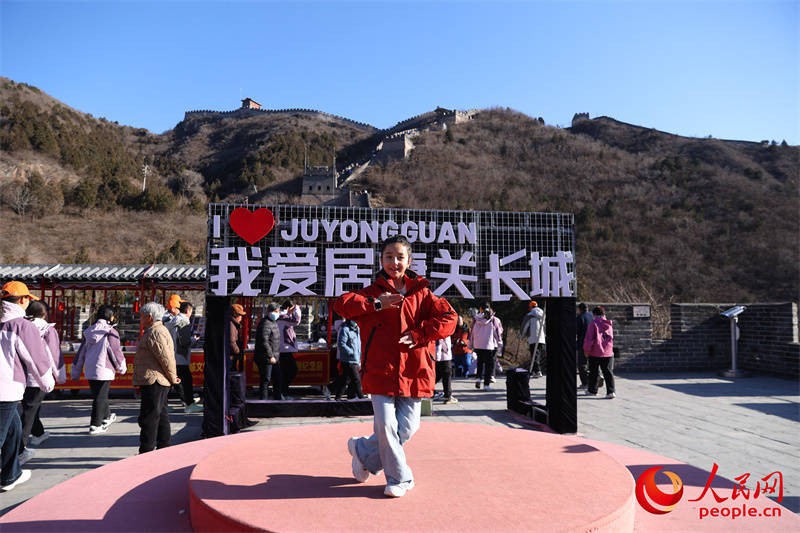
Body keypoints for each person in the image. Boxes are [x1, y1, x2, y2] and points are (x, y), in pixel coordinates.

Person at [334, 235, 457, 498]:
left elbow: (450, 318)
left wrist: (420, 334)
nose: (394, 262)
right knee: (387, 427)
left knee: (407, 428)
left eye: (400, 257)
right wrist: (378, 304)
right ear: (381, 260)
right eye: (389, 257)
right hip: (381, 371)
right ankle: (400, 478)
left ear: (409, 261)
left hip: (414, 372)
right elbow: (341, 304)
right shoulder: (372, 293)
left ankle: (363, 452)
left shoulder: (423, 294)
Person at [0, 281, 54, 492]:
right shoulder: (22, 326)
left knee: (14, 430)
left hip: (6, 389)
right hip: (6, 389)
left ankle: (10, 474)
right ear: (22, 300)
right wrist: (47, 384)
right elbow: (36, 359)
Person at [70, 304, 127, 435]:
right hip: (104, 370)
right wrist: (121, 367)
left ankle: (107, 416)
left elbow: (81, 353)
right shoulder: (110, 332)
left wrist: (76, 371)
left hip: (90, 369)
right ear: (111, 317)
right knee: (100, 397)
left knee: (99, 395)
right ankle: (95, 425)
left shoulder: (89, 331)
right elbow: (116, 352)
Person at [19, 301, 64, 462]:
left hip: (20, 374)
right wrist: (59, 374)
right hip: (39, 374)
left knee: (30, 406)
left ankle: (38, 433)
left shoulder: (20, 326)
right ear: (44, 314)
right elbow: (54, 353)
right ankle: (20, 448)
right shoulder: (47, 329)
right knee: (29, 410)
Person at [133, 302, 179, 453]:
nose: (140, 319)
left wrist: (173, 377)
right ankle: (163, 448)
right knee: (160, 415)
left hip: (155, 380)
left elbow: (166, 358)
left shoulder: (155, 332)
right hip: (157, 379)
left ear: (149, 317)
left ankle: (147, 450)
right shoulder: (156, 330)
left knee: (150, 417)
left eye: (142, 316)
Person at [174, 302, 201, 412]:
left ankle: (187, 401)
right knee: (186, 381)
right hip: (181, 356)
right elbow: (185, 342)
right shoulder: (183, 321)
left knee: (177, 380)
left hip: (173, 355)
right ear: (188, 311)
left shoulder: (173, 320)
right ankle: (189, 404)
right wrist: (193, 340)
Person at [469, 303, 503, 391]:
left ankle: (478, 379)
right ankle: (486, 384)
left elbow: (472, 332)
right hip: (488, 345)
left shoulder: (476, 319)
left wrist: (471, 344)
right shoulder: (493, 319)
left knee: (479, 363)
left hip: (478, 345)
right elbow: (497, 333)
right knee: (489, 366)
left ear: (480, 309)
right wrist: (500, 343)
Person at [584, 306, 616, 399]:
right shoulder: (609, 324)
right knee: (608, 372)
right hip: (608, 352)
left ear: (594, 314)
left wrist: (586, 350)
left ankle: (592, 391)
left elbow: (589, 339)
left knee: (594, 372)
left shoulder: (593, 323)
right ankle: (611, 392)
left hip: (595, 352)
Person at [254, 302, 281, 400]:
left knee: (277, 379)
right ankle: (263, 402)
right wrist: (270, 356)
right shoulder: (265, 323)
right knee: (266, 380)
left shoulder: (273, 322)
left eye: (278, 311)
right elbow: (264, 342)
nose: (277, 313)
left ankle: (278, 399)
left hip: (274, 357)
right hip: (266, 358)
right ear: (269, 311)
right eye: (275, 311)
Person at [332, 318, 363, 400]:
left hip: (356, 359)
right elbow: (341, 344)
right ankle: (362, 398)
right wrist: (351, 352)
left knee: (345, 380)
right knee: (357, 380)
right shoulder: (345, 329)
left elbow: (358, 344)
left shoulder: (357, 329)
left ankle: (338, 397)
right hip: (348, 359)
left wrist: (359, 356)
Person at [277, 300, 301, 398]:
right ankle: (282, 392)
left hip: (281, 348)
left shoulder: (280, 316)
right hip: (285, 348)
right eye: (292, 309)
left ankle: (283, 393)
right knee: (292, 370)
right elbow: (297, 321)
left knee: (285, 372)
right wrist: (297, 309)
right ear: (288, 308)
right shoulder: (283, 317)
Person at [521, 301, 546, 378]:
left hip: (533, 338)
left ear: (531, 307)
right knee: (537, 355)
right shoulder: (543, 315)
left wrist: (522, 336)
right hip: (542, 338)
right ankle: (535, 371)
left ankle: (538, 371)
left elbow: (525, 326)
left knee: (534, 355)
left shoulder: (529, 315)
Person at [576, 303, 594, 389]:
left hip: (583, 344)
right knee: (593, 363)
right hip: (594, 344)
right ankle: (594, 380)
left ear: (580, 309)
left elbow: (576, 331)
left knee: (582, 364)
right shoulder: (592, 316)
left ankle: (585, 383)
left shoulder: (580, 318)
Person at [434, 336, 457, 404]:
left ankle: (429, 390)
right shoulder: (445, 331)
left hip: (440, 356)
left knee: (438, 375)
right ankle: (448, 396)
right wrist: (438, 356)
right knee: (447, 376)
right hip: (444, 356)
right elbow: (440, 342)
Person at [229, 303, 246, 371]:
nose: (241, 317)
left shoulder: (233, 324)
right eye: (240, 315)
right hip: (231, 357)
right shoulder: (231, 325)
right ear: (235, 315)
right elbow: (231, 341)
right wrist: (238, 352)